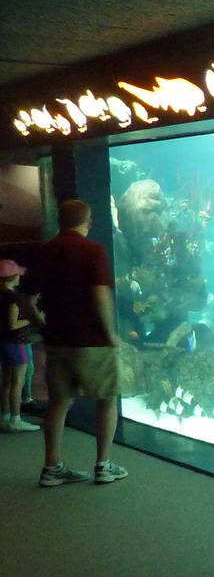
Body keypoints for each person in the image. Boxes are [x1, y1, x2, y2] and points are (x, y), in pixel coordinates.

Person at [36, 199, 126, 485]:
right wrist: (110, 333)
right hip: (92, 340)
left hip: (57, 339)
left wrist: (42, 326)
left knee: (58, 403)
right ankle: (103, 465)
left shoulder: (45, 251)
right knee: (107, 399)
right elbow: (100, 293)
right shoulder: (93, 250)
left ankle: (52, 468)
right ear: (88, 221)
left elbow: (23, 296)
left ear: (60, 220)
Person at [1, 258, 42, 433]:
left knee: (7, 382)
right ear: (13, 277)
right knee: (18, 382)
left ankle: (5, 416)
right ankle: (16, 419)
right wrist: (33, 317)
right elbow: (12, 324)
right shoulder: (12, 298)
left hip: (3, 343)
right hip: (16, 343)